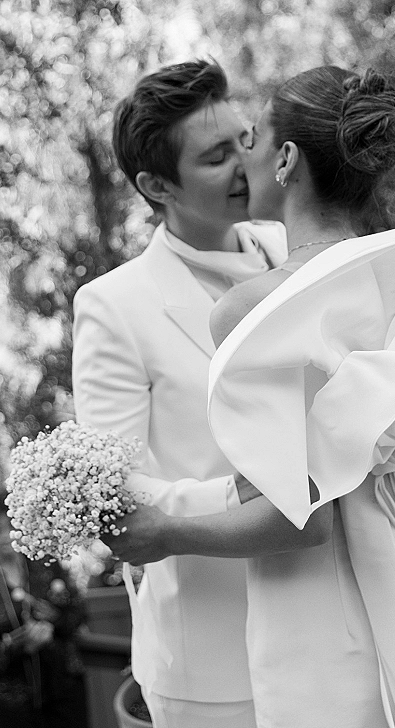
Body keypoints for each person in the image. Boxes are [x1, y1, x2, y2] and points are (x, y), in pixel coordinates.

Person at [107, 64, 395, 727]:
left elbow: (299, 517)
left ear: (288, 159)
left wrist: (164, 531)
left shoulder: (252, 306)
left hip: (321, 603)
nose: (245, 160)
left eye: (253, 142)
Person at [71, 60, 288, 728]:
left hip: (334, 619)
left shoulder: (293, 244)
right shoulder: (114, 306)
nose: (245, 163)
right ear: (156, 185)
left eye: (245, 139)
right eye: (217, 156)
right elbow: (118, 493)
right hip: (215, 659)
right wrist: (253, 492)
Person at [0, 498, 89, 728]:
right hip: (12, 704)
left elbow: (79, 615)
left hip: (64, 688)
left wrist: (56, 618)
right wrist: (12, 645)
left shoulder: (43, 561)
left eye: (10, 525)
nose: (6, 535)